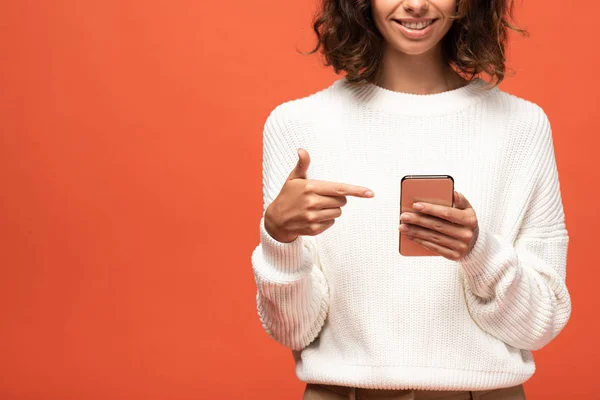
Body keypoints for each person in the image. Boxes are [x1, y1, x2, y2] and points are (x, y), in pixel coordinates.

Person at [250, 0, 571, 398]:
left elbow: (539, 326)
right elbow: (293, 330)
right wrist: (279, 240)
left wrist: (479, 252)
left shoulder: (522, 127)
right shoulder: (298, 125)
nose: (416, 4)